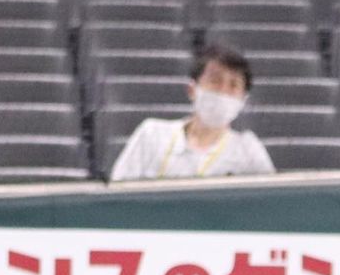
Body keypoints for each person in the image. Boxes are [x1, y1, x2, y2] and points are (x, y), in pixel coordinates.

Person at [109, 44, 275, 182]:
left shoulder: (248, 151)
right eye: (215, 81)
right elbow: (118, 194)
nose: (223, 91)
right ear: (192, 89)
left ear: (243, 100)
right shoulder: (151, 135)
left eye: (233, 85)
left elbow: (269, 203)